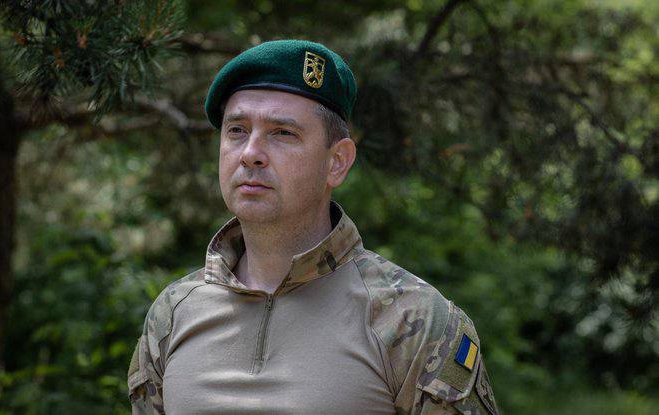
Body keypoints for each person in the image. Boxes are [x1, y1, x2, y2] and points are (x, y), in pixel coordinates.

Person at [127, 39, 498, 415]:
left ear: (337, 162)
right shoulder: (174, 314)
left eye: (282, 133)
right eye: (237, 130)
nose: (250, 153)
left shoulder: (411, 319)